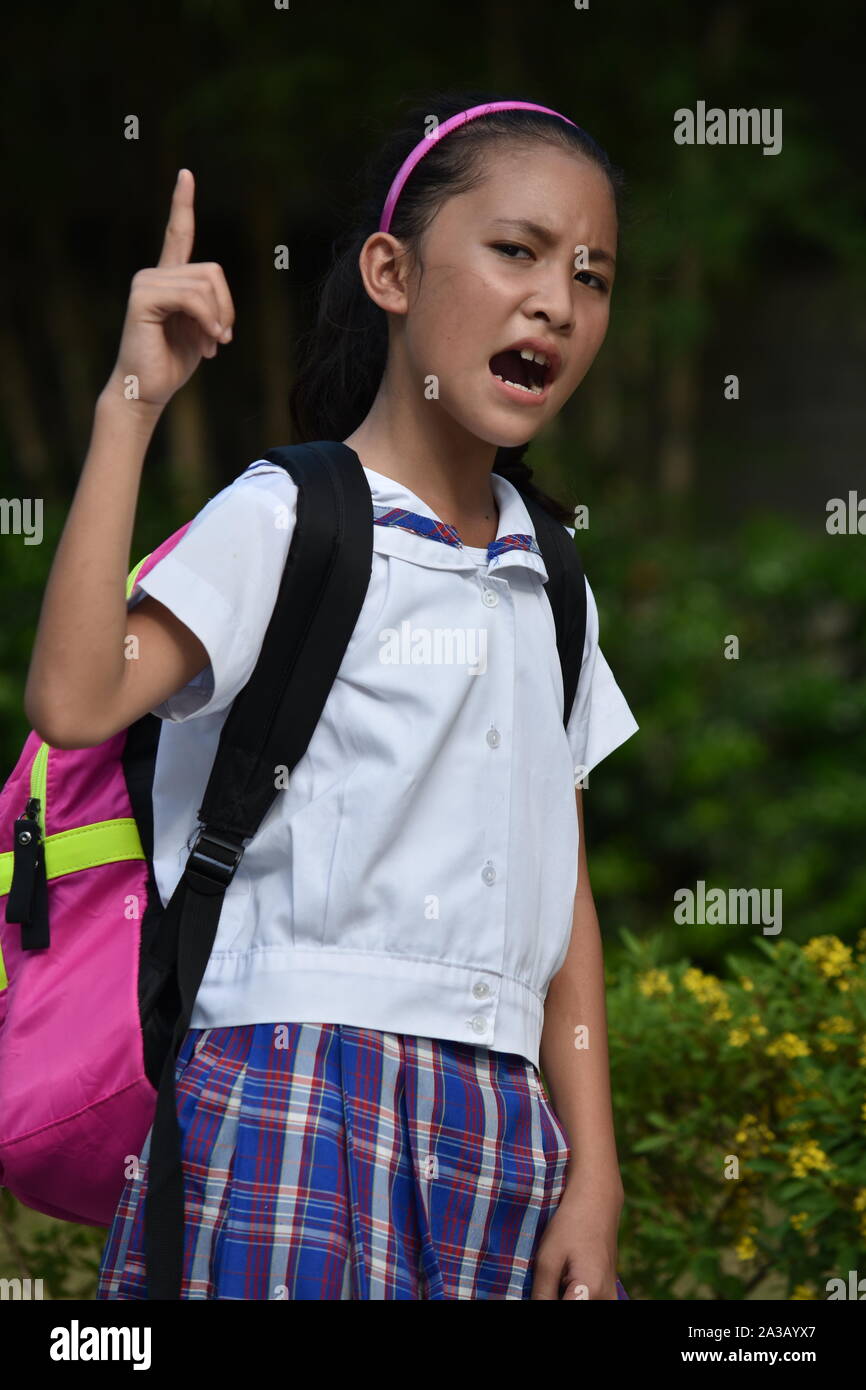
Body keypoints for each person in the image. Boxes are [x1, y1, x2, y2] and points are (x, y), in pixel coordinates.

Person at [24, 89, 639, 1300]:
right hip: (286, 1093)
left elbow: (560, 896)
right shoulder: (287, 515)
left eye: (590, 274)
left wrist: (595, 1177)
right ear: (389, 273)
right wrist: (130, 404)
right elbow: (75, 696)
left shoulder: (550, 577)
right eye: (513, 250)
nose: (554, 301)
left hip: (505, 1135)